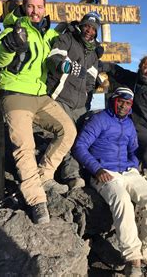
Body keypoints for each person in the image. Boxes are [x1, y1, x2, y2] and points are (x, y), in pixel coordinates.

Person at [0, 0, 76, 224]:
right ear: (24, 7)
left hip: (41, 95)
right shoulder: (14, 29)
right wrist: (10, 45)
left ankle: (45, 175)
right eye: (31, 6)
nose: (35, 11)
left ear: (44, 8)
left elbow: (57, 57)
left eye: (39, 7)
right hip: (16, 93)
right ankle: (36, 200)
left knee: (68, 131)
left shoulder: (49, 36)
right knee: (25, 147)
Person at [72, 87, 147, 276]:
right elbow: (80, 146)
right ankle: (133, 258)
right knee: (123, 201)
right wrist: (96, 169)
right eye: (121, 102)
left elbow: (133, 149)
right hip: (105, 172)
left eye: (128, 104)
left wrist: (134, 166)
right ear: (113, 100)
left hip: (129, 172)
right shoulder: (99, 120)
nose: (124, 106)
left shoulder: (128, 124)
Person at [46, 11, 104, 189]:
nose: (89, 30)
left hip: (80, 102)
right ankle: (70, 175)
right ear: (81, 25)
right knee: (69, 132)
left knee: (83, 136)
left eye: (93, 29)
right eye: (87, 26)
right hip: (60, 95)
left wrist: (91, 91)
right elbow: (53, 58)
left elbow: (90, 79)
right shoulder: (68, 39)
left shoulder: (94, 53)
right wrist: (65, 66)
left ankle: (82, 170)